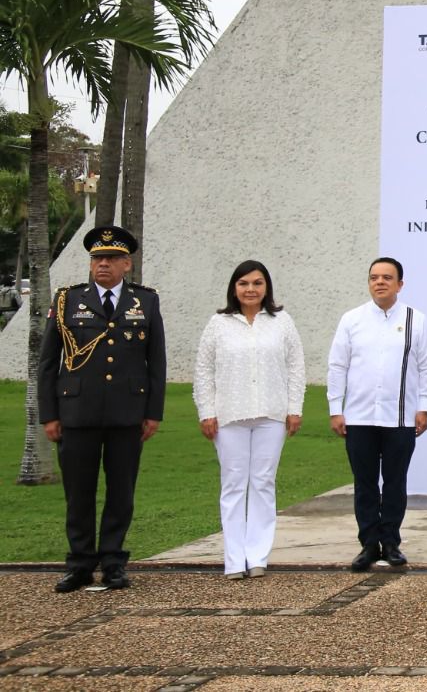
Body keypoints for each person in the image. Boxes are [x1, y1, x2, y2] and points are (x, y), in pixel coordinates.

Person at [38, 225, 166, 592]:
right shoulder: (67, 301)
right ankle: (79, 563)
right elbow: (49, 363)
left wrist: (153, 412)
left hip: (127, 413)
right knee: (79, 492)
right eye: (97, 259)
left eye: (111, 259)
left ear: (127, 264)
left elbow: (156, 361)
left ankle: (112, 561)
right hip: (77, 412)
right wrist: (50, 414)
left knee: (121, 490)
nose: (103, 265)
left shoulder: (146, 301)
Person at [192, 260, 306, 579]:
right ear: (234, 288)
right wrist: (206, 411)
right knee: (233, 484)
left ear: (266, 287)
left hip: (272, 414)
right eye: (244, 283)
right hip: (229, 416)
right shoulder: (218, 323)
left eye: (257, 283)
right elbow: (203, 371)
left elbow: (296, 367)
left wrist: (294, 408)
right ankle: (234, 559)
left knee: (263, 482)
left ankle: (257, 556)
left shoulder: (282, 322)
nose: (251, 289)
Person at [328, 256, 427, 572]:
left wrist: (424, 406)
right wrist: (336, 408)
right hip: (359, 417)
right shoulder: (352, 319)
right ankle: (368, 544)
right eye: (374, 277)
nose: (380, 282)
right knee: (364, 483)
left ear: (399, 284)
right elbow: (337, 365)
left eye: (387, 277)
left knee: (394, 482)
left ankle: (390, 542)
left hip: (399, 417)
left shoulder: (416, 319)